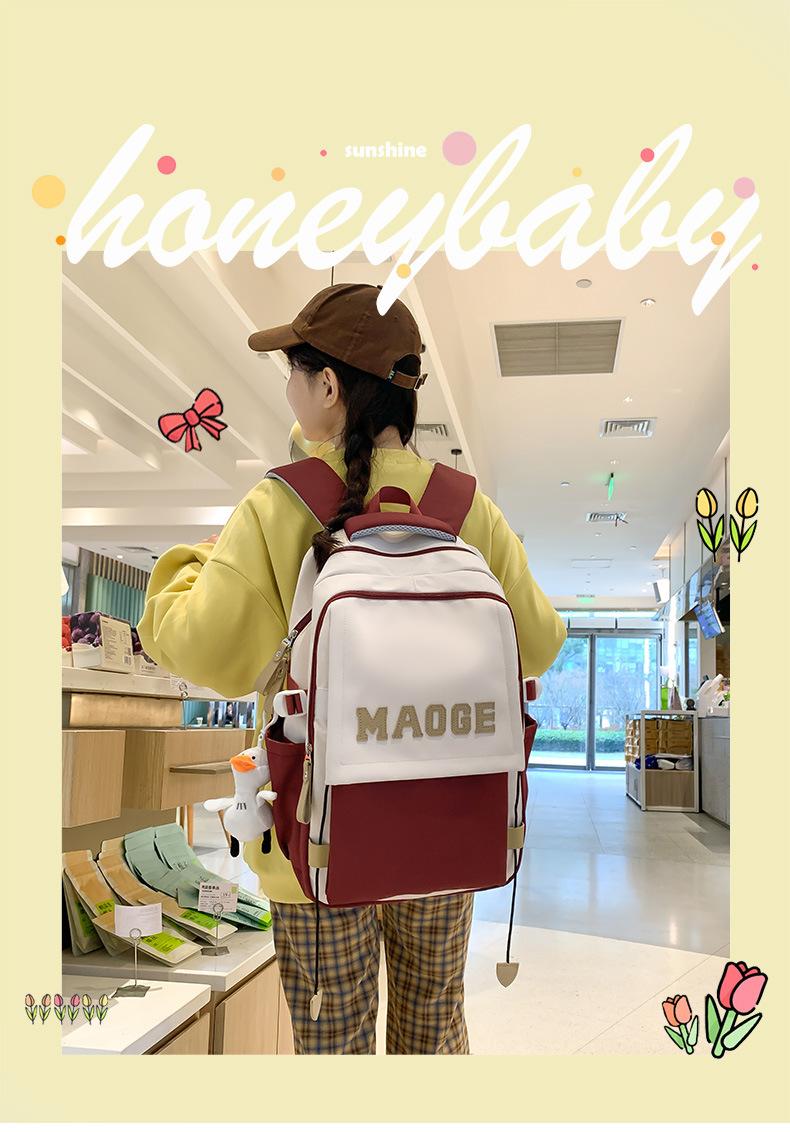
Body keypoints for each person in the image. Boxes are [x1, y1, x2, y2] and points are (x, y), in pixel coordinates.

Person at [137, 282, 566, 1055]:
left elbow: (207, 652)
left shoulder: (278, 506)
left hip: (316, 838)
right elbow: (537, 644)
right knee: (433, 1026)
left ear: (328, 387)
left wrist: (185, 568)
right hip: (450, 823)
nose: (290, 390)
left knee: (332, 1041)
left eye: (294, 374)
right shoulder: (469, 509)